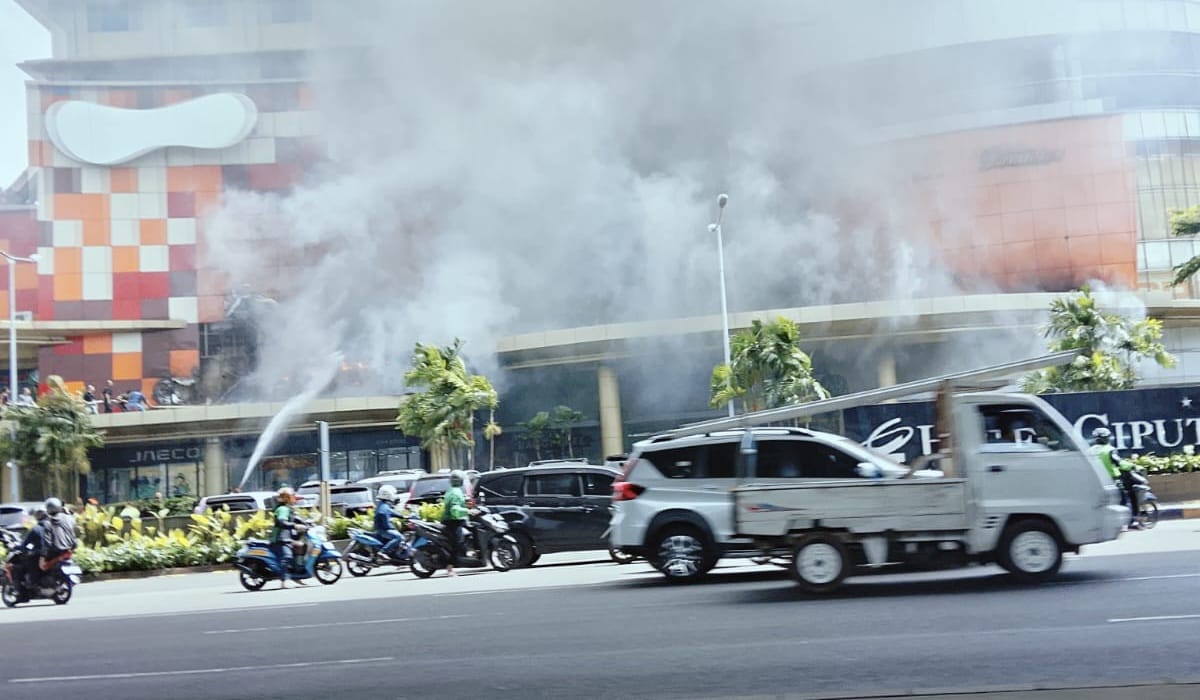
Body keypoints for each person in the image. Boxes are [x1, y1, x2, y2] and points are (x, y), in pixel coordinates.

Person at [1090, 427, 1141, 529]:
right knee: (1124, 499)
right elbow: (1119, 462)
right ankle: (1129, 522)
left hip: (1095, 481)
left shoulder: (1090, 451)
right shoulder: (1109, 450)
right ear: (1107, 438)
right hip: (1112, 480)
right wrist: (1133, 466)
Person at [270, 487, 307, 588]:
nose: (295, 498)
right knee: (287, 556)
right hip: (280, 539)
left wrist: (307, 524)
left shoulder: (288, 508)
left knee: (301, 547)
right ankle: (283, 581)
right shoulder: (282, 509)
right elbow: (282, 522)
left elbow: (296, 519)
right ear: (287, 498)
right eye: (293, 496)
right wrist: (295, 526)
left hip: (288, 538)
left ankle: (297, 576)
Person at [440, 470, 471, 577]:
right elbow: (454, 509)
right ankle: (450, 568)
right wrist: (468, 511)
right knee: (457, 543)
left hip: (455, 520)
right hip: (453, 521)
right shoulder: (456, 492)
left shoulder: (452, 490)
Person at [10, 507, 48, 591]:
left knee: (27, 563)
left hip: (40, 555)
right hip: (52, 553)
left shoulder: (36, 529)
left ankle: (32, 583)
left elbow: (24, 545)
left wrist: (15, 547)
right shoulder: (52, 526)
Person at [373, 485, 404, 560]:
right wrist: (389, 526)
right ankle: (383, 552)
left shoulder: (383, 504)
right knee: (398, 537)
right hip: (383, 530)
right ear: (389, 494)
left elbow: (391, 512)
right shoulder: (383, 506)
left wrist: (403, 516)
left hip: (382, 529)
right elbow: (383, 513)